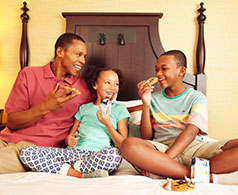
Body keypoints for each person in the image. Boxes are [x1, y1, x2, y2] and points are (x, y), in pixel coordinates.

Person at [120, 50, 238, 181]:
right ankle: (196, 174)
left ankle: (177, 171)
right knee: (127, 145)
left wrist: (165, 160)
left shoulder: (197, 97)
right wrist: (146, 105)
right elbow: (146, 137)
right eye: (156, 69)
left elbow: (191, 133)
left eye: (164, 69)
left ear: (181, 71)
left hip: (194, 147)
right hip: (161, 148)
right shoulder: (152, 98)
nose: (158, 74)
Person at [0, 33, 95, 174]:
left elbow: (110, 105)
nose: (82, 61)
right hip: (6, 141)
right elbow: (12, 122)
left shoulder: (82, 88)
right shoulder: (28, 75)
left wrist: (141, 105)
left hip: (36, 151)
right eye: (78, 54)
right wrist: (45, 107)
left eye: (84, 56)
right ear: (60, 52)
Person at [20, 66, 130, 178]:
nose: (113, 87)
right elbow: (70, 137)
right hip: (73, 153)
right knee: (27, 152)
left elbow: (124, 144)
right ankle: (79, 174)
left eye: (116, 84)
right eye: (108, 83)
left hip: (97, 155)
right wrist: (69, 140)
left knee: (115, 155)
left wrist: (107, 123)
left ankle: (67, 168)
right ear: (95, 85)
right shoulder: (84, 108)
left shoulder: (120, 110)